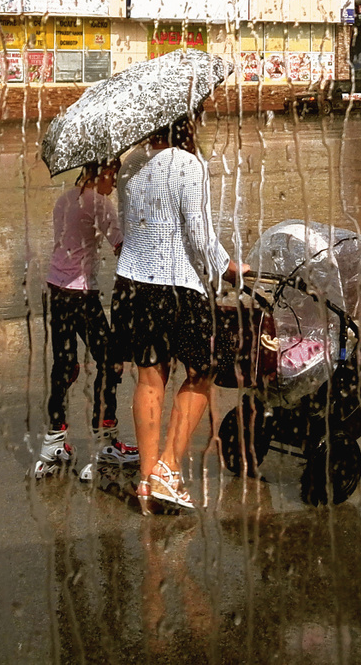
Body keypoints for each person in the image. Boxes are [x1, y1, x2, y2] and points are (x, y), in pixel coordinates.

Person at [110, 115, 246, 513]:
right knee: (204, 371)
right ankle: (168, 469)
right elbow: (199, 236)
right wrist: (228, 269)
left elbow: (130, 225)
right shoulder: (189, 164)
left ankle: (146, 481)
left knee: (150, 377)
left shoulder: (130, 163)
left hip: (132, 283)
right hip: (176, 285)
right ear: (187, 120)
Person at [34, 160, 138, 478]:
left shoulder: (64, 199)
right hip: (81, 295)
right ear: (101, 173)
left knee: (65, 365)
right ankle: (105, 439)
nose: (114, 182)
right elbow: (121, 246)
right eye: (113, 175)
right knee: (110, 362)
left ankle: (54, 440)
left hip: (55, 289)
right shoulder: (99, 203)